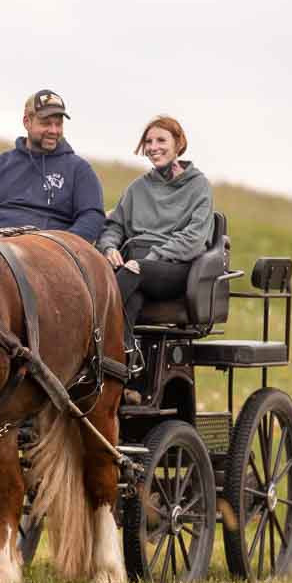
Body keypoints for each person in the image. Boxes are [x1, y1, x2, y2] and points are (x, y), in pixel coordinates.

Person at [96, 115, 215, 395]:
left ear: (178, 144)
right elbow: (114, 226)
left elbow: (194, 239)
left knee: (129, 276)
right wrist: (110, 248)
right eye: (148, 141)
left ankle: (85, 334)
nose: (153, 147)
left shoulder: (198, 186)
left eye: (161, 140)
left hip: (175, 267)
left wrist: (149, 260)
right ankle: (129, 372)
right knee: (131, 297)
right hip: (133, 266)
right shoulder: (138, 187)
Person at [0, 89, 105, 242]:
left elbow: (92, 217)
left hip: (50, 252)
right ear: (27, 122)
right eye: (46, 123)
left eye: (58, 124)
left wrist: (63, 246)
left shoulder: (80, 170)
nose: (53, 131)